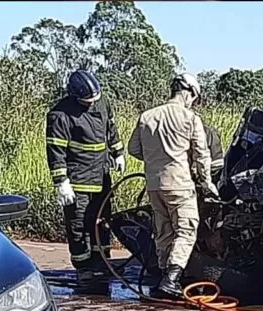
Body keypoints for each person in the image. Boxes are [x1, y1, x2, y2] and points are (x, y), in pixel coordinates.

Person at [127, 73, 219, 299]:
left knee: (164, 230)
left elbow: (133, 149)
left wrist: (156, 159)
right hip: (180, 184)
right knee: (186, 230)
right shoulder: (190, 118)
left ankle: (162, 278)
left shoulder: (147, 116)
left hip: (154, 185)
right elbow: (202, 155)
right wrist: (207, 183)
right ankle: (172, 279)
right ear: (190, 92)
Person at [45, 69, 126, 295]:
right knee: (79, 225)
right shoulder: (60, 115)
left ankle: (103, 262)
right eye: (88, 100)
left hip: (101, 175)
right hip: (77, 180)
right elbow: (56, 150)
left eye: (95, 99)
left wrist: (118, 152)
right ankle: (84, 268)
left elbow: (111, 128)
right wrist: (61, 181)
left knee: (102, 222)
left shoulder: (103, 103)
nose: (92, 103)